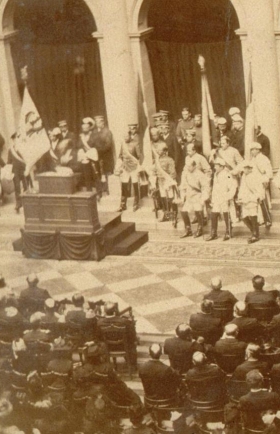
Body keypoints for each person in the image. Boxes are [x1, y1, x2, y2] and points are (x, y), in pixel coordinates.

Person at [97, 301, 137, 370]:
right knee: (133, 343)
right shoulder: (124, 321)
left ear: (105, 312)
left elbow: (99, 338)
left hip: (108, 347)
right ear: (115, 311)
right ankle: (132, 364)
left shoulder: (99, 323)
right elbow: (132, 336)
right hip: (123, 347)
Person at [206, 158, 237, 241]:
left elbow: (233, 187)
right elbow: (215, 187)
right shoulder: (216, 174)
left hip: (225, 197)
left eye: (217, 165)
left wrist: (229, 197)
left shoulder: (227, 174)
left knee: (226, 214)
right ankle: (213, 233)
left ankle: (228, 232)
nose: (215, 167)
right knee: (214, 214)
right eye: (215, 165)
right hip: (217, 198)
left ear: (221, 166)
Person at [149, 142, 178, 225]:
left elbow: (173, 173)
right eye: (157, 150)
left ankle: (174, 216)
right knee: (163, 198)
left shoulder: (170, 160)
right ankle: (165, 214)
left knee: (172, 199)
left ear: (165, 151)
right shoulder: (156, 160)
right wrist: (153, 179)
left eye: (160, 150)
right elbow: (154, 171)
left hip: (168, 182)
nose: (158, 151)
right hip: (160, 182)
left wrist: (169, 182)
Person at [179, 160, 209, 238]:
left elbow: (205, 187)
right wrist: (182, 198)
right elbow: (183, 186)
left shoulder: (200, 175)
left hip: (197, 195)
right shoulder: (186, 174)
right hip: (189, 196)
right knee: (184, 211)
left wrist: (203, 198)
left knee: (198, 211)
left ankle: (200, 229)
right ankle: (188, 229)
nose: (188, 168)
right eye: (187, 166)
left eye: (189, 166)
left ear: (194, 166)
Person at [237, 160, 265, 243]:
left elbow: (259, 189)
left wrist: (256, 197)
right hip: (244, 199)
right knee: (244, 217)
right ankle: (254, 232)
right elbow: (242, 188)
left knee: (253, 215)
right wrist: (240, 198)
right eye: (244, 168)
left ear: (250, 169)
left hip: (252, 198)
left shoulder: (254, 176)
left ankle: (255, 235)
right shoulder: (244, 176)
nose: (245, 170)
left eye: (246, 168)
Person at [115, 128, 141, 212]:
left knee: (135, 185)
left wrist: (138, 166)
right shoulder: (123, 144)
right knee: (124, 185)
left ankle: (136, 203)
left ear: (130, 135)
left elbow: (139, 156)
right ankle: (123, 204)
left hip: (134, 167)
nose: (125, 138)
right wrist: (118, 165)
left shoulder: (135, 144)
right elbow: (120, 155)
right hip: (125, 167)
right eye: (124, 136)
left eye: (126, 136)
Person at [250, 141, 273, 228]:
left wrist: (266, 180)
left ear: (258, 150)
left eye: (254, 149)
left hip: (261, 181)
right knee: (257, 201)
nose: (252, 151)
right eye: (251, 150)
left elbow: (268, 171)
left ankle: (268, 220)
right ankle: (261, 219)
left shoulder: (263, 159)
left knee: (263, 201)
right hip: (255, 182)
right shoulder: (253, 159)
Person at [8, 132, 31, 212]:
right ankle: (18, 204)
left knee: (26, 186)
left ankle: (28, 203)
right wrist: (8, 171)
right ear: (13, 140)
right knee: (17, 187)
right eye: (14, 139)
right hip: (15, 171)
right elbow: (9, 162)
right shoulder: (10, 150)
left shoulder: (24, 148)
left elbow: (28, 158)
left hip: (24, 169)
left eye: (17, 139)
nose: (16, 140)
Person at [77, 117, 100, 194]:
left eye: (86, 128)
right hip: (85, 158)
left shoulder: (94, 135)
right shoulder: (81, 136)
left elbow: (96, 145)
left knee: (96, 175)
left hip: (93, 157)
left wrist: (89, 150)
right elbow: (78, 145)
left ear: (89, 128)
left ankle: (99, 192)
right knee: (87, 176)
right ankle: (89, 192)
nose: (84, 129)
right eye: (83, 128)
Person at [93, 115, 114, 196]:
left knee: (106, 174)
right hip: (96, 157)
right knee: (97, 174)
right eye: (97, 122)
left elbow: (108, 145)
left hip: (105, 157)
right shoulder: (94, 132)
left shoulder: (107, 132)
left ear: (103, 122)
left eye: (100, 122)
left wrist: (98, 150)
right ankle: (99, 192)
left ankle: (108, 191)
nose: (98, 123)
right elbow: (92, 143)